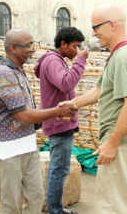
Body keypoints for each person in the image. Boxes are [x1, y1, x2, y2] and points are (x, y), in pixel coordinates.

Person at [62, 4, 127, 214]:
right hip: (123, 143)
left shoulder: (124, 58)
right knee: (125, 198)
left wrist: (112, 143)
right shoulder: (118, 55)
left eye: (96, 27)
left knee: (113, 205)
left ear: (112, 25)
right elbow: (99, 90)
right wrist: (73, 104)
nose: (93, 33)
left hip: (122, 144)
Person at [0, 29, 75, 214]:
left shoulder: (18, 71)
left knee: (35, 196)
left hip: (25, 144)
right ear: (12, 48)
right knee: (11, 204)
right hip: (6, 150)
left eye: (33, 44)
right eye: (28, 46)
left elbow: (27, 113)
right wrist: (56, 111)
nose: (33, 50)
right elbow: (23, 115)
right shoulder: (3, 74)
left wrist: (53, 113)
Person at [34, 27, 89, 214]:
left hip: (61, 121)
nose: (77, 50)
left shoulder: (56, 60)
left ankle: (55, 208)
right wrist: (81, 61)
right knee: (59, 170)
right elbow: (66, 83)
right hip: (59, 124)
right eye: (75, 46)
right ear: (63, 44)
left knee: (60, 168)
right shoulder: (52, 61)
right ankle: (55, 210)